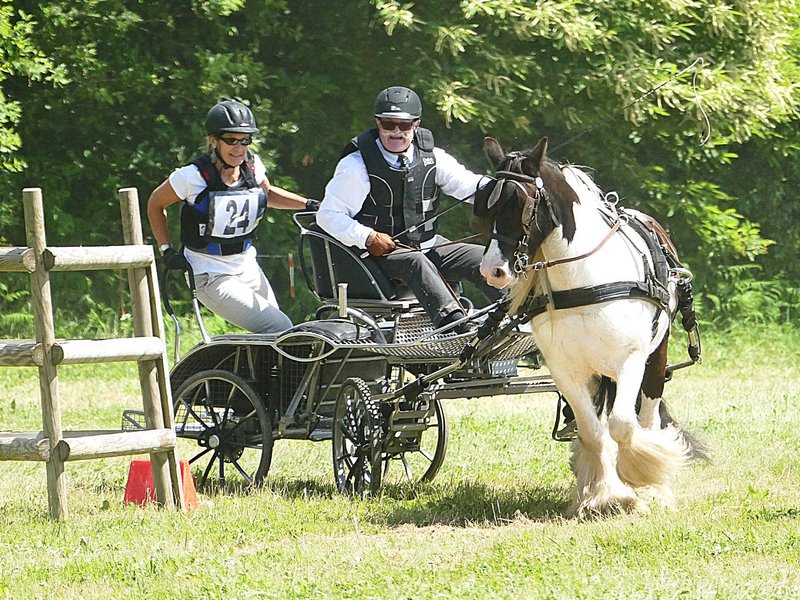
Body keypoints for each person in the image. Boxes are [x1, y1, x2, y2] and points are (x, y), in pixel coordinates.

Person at [316, 86, 500, 333]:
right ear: (377, 123)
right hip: (378, 257)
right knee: (416, 262)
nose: (396, 132)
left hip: (427, 245)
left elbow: (468, 186)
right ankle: (458, 329)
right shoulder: (356, 166)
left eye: (404, 125)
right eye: (388, 124)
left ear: (416, 124)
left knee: (481, 257)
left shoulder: (434, 157)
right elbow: (328, 215)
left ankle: (510, 317)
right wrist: (368, 237)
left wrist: (508, 188)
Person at [147, 99, 317, 334]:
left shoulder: (252, 166)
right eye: (231, 140)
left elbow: (267, 194)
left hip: (246, 265)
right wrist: (166, 249)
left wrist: (308, 205)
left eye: (245, 140)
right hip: (209, 274)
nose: (239, 148)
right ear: (213, 140)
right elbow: (155, 203)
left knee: (278, 336)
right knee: (280, 327)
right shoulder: (191, 177)